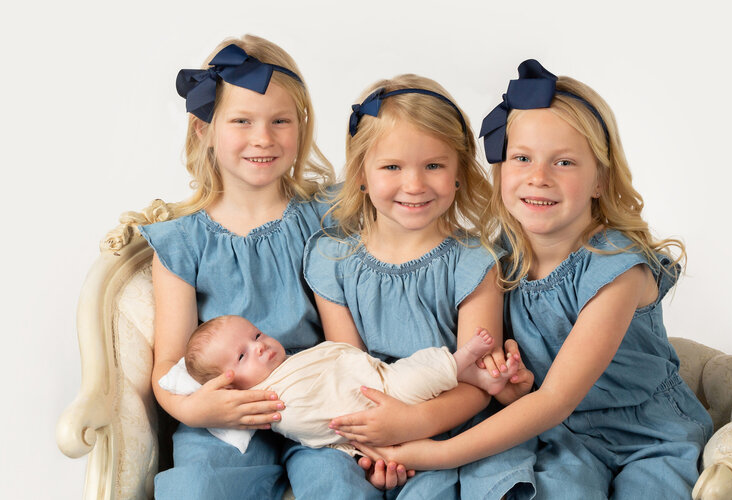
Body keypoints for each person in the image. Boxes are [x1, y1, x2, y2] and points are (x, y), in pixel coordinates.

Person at [350, 60, 714, 500]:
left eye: (563, 162)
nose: (538, 178)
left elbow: (557, 397)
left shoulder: (618, 268)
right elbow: (536, 399)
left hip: (646, 435)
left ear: (600, 179)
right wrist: (515, 389)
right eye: (522, 158)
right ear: (501, 169)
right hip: (560, 435)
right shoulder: (496, 256)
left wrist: (434, 455)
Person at [302, 74, 536, 498]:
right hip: (369, 422)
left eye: (433, 165)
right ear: (361, 174)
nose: (414, 185)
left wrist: (413, 428)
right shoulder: (331, 260)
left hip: (447, 425)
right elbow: (350, 372)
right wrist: (374, 451)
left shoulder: (474, 263)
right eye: (392, 167)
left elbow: (476, 384)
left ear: (459, 172)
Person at [138, 35, 336, 500]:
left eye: (280, 121)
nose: (263, 138)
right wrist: (196, 412)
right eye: (241, 121)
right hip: (228, 414)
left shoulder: (326, 216)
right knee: (197, 486)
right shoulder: (182, 244)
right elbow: (168, 366)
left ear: (301, 126)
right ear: (204, 129)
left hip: (318, 396)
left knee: (336, 483)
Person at [170, 315, 517, 453]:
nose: (259, 346)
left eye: (256, 335)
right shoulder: (272, 403)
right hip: (376, 403)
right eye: (243, 357)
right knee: (413, 380)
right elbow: (318, 422)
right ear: (231, 389)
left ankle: (471, 373)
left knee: (414, 369)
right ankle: (464, 360)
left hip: (379, 377)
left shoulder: (292, 361)